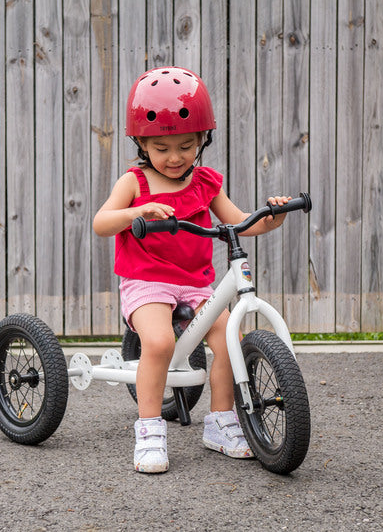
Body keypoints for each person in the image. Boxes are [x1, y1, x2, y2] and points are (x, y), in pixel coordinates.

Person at [93, 66, 290, 473]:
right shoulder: (134, 182)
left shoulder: (205, 183)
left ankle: (220, 422)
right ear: (142, 143)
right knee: (161, 343)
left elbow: (241, 222)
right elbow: (101, 223)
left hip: (195, 285)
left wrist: (272, 217)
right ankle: (148, 430)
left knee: (228, 340)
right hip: (146, 283)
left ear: (202, 139)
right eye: (161, 147)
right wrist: (136, 211)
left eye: (186, 145)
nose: (174, 156)